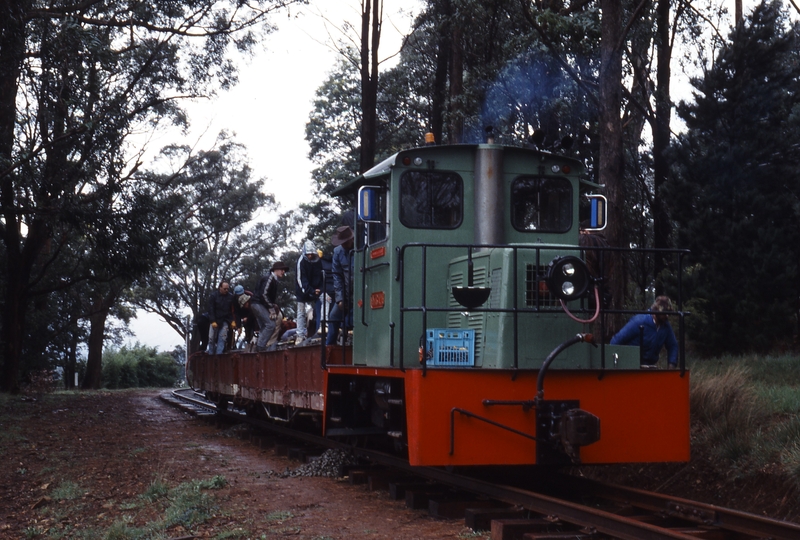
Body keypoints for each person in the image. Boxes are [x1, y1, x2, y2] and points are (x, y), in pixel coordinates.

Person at [610, 296, 678, 368]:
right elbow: (616, 341)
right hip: (631, 366)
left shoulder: (665, 326)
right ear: (656, 312)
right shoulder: (638, 321)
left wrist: (672, 364)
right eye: (664, 313)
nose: (667, 316)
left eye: (669, 313)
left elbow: (672, 345)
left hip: (649, 366)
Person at [250, 261, 289, 352]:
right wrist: (271, 307)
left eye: (284, 270)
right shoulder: (270, 279)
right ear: (275, 270)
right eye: (282, 269)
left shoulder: (273, 280)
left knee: (264, 325)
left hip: (257, 304)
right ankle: (260, 346)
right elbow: (264, 294)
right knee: (271, 325)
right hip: (258, 303)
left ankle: (259, 345)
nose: (283, 272)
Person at [327, 225, 354, 346]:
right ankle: (330, 347)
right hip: (347, 293)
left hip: (362, 292)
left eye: (344, 242)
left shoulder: (362, 248)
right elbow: (337, 276)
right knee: (333, 316)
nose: (342, 244)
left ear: (351, 240)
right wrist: (340, 298)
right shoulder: (338, 252)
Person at [294, 240, 323, 346]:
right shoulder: (301, 261)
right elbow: (301, 279)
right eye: (308, 254)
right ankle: (300, 335)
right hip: (302, 290)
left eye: (311, 254)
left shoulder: (317, 261)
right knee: (301, 311)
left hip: (315, 289)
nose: (310, 256)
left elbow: (319, 275)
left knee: (323, 302)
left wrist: (318, 288)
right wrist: (309, 290)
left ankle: (321, 328)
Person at [207, 280, 235, 355]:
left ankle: (219, 355)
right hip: (215, 320)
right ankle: (211, 354)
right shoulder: (213, 296)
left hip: (225, 320)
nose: (226, 290)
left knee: (222, 338)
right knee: (211, 339)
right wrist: (212, 320)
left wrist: (232, 320)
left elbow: (232, 310)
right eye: (225, 289)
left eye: (227, 289)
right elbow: (211, 309)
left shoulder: (230, 297)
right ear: (220, 288)